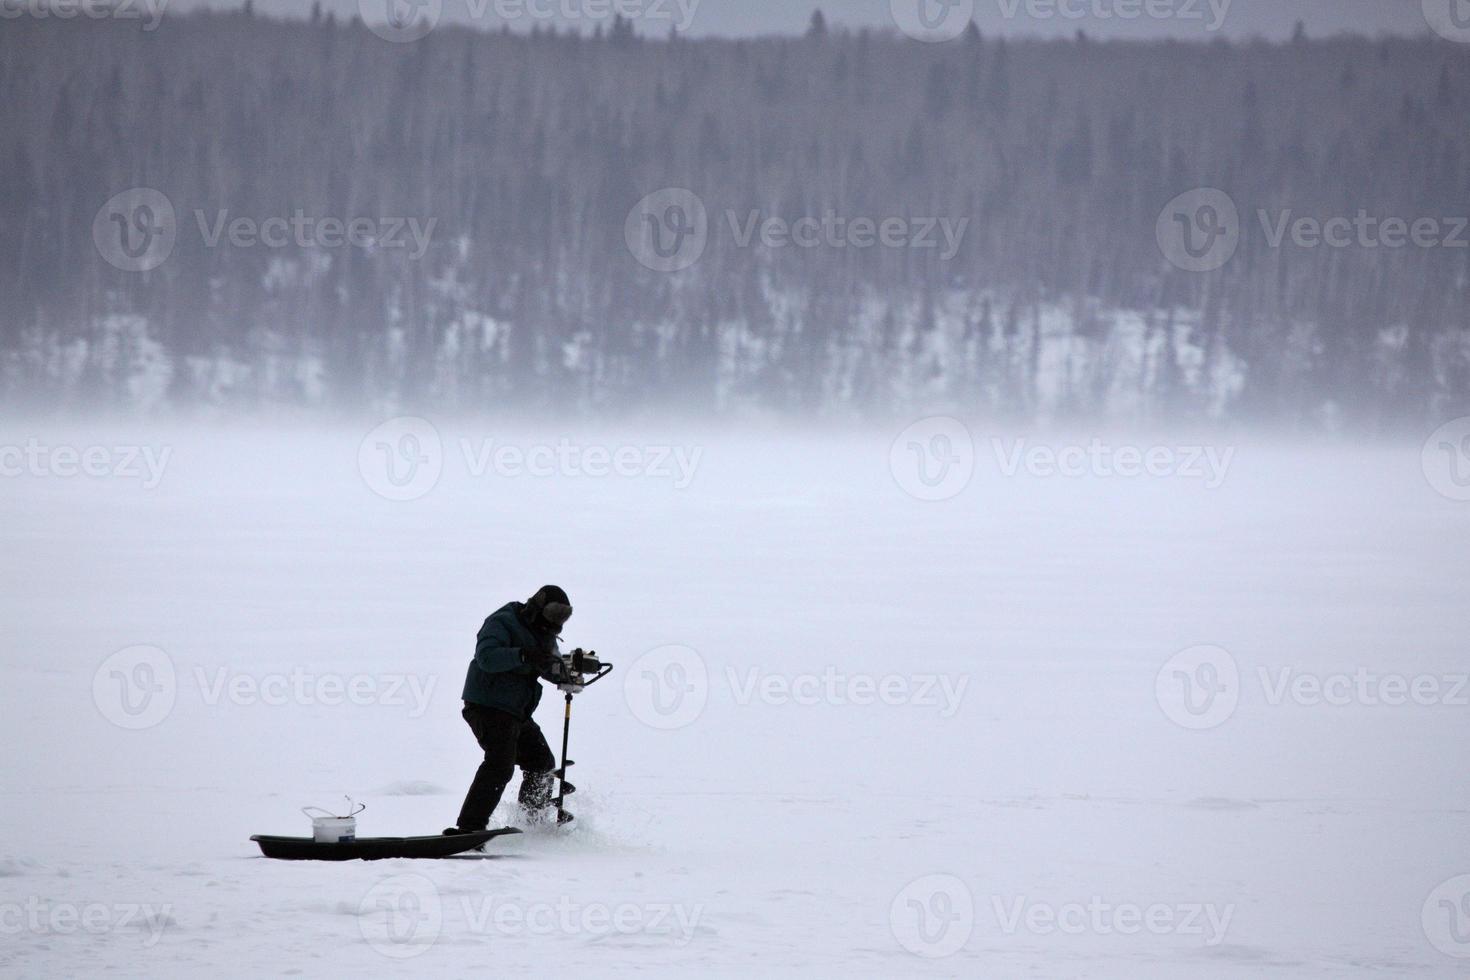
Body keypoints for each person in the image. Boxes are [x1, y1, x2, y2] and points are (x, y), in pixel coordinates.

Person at [445, 585, 572, 834]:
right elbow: (487, 657)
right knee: (500, 763)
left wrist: (567, 674)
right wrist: (524, 656)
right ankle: (469, 829)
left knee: (541, 762)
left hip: (515, 711)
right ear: (537, 607)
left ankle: (531, 824)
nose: (554, 626)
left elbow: (548, 665)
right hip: (486, 706)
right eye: (552, 617)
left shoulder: (543, 631)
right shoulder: (503, 621)